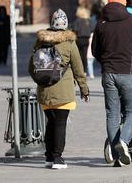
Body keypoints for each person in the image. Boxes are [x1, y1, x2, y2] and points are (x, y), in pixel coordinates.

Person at [29, 9, 89, 169]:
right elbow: (78, 68)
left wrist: (41, 80)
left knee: (51, 122)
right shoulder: (69, 42)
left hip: (44, 91)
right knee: (60, 124)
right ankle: (57, 158)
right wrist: (84, 89)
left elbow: (31, 66)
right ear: (66, 24)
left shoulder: (40, 41)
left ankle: (48, 157)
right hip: (63, 92)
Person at [92, 0, 132, 167]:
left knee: (112, 114)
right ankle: (123, 141)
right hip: (127, 72)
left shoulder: (101, 23)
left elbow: (94, 50)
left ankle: (116, 156)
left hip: (108, 73)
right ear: (124, 2)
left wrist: (104, 62)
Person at [72, 6, 92, 74]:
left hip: (79, 39)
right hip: (86, 39)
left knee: (79, 56)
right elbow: (91, 29)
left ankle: (79, 70)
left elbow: (74, 29)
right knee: (84, 56)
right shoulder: (87, 21)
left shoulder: (77, 20)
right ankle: (85, 71)